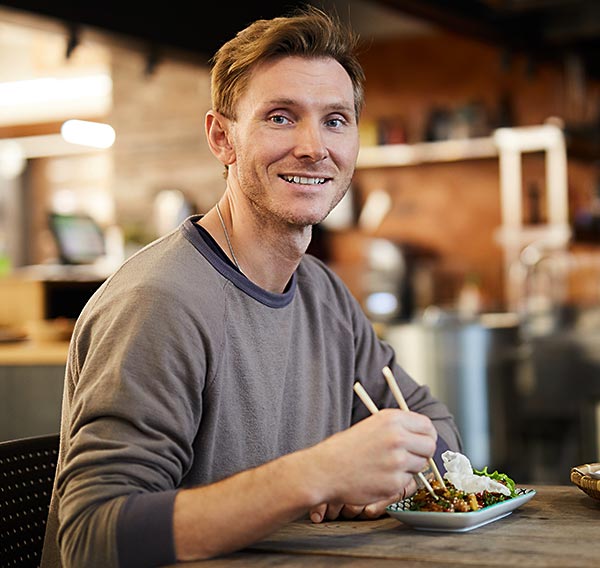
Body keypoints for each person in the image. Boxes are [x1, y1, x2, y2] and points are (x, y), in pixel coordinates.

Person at [41, 6, 461, 567]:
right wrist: (317, 473)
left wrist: (392, 479)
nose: (315, 147)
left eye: (335, 120)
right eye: (281, 117)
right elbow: (95, 539)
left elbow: (439, 431)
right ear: (222, 138)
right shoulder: (159, 302)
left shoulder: (323, 294)